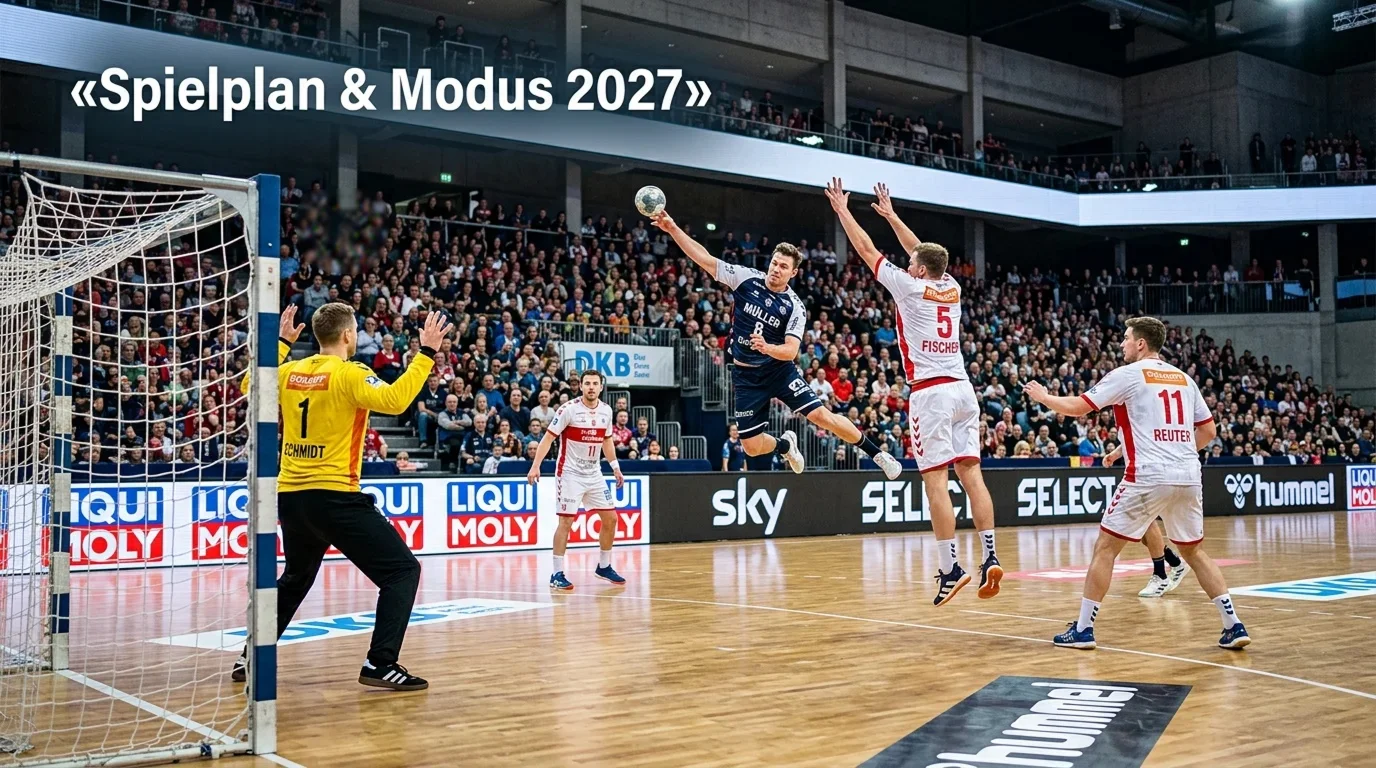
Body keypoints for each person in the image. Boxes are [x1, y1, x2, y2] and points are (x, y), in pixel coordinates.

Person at [232, 303, 452, 691]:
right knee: (402, 571)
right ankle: (380, 663)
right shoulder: (351, 374)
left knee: (297, 577)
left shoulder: (288, 371)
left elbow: (249, 388)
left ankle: (251, 655)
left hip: (292, 496)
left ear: (316, 336)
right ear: (349, 336)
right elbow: (396, 401)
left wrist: (282, 343)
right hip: (334, 494)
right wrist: (427, 353)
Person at [1023, 316, 1251, 651]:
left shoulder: (1128, 375)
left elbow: (1078, 408)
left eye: (1127, 339)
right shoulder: (1185, 379)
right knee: (1195, 552)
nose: (1122, 344)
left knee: (1105, 548)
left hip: (1148, 475)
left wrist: (1044, 397)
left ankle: (1084, 629)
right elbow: (1208, 432)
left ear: (1141, 343)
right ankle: (1233, 623)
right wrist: (1165, 450)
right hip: (1188, 474)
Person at [825, 179, 1001, 606]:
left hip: (931, 393)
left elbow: (867, 251)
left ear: (918, 268)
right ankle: (991, 554)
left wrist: (843, 211)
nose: (909, 263)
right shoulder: (952, 288)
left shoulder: (908, 286)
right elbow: (924, 252)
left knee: (935, 482)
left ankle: (950, 567)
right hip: (964, 390)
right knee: (972, 475)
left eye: (912, 262)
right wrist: (891, 215)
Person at [650, 211, 902, 480]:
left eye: (783, 267)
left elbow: (791, 351)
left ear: (793, 272)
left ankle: (877, 454)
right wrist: (673, 228)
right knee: (752, 446)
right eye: (774, 263)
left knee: (822, 416)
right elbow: (704, 259)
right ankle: (785, 445)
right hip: (745, 375)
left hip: (778, 370)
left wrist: (767, 347)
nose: (775, 269)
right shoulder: (746, 278)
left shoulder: (795, 307)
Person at [527, 370, 627, 590]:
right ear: (580, 386)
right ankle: (557, 574)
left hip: (594, 473)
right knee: (566, 522)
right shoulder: (568, 410)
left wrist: (615, 468)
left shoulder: (606, 411)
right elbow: (547, 439)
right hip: (569, 473)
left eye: (595, 384)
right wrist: (535, 466)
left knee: (611, 519)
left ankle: (604, 566)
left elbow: (606, 441)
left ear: (601, 387)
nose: (591, 387)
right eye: (587, 383)